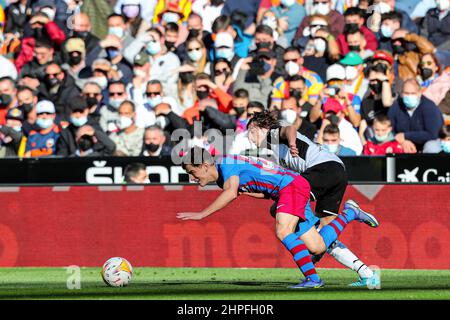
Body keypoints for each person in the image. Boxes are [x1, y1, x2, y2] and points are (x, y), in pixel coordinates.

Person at [178, 147, 379, 288]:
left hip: (290, 187)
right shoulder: (226, 168)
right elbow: (260, 187)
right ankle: (350, 213)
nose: (192, 177)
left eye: (192, 172)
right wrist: (247, 192)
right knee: (317, 246)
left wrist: (201, 214)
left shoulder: (226, 166)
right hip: (291, 187)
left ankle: (313, 279)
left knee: (283, 230)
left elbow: (230, 193)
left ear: (205, 164)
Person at [388, 78, 444, 152]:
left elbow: (433, 134)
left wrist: (406, 136)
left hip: (428, 142)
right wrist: (402, 141)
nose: (409, 96)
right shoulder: (396, 106)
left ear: (419, 93)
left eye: (413, 93)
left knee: (431, 148)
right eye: (406, 93)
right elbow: (388, 128)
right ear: (401, 94)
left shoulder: (429, 107)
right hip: (404, 143)